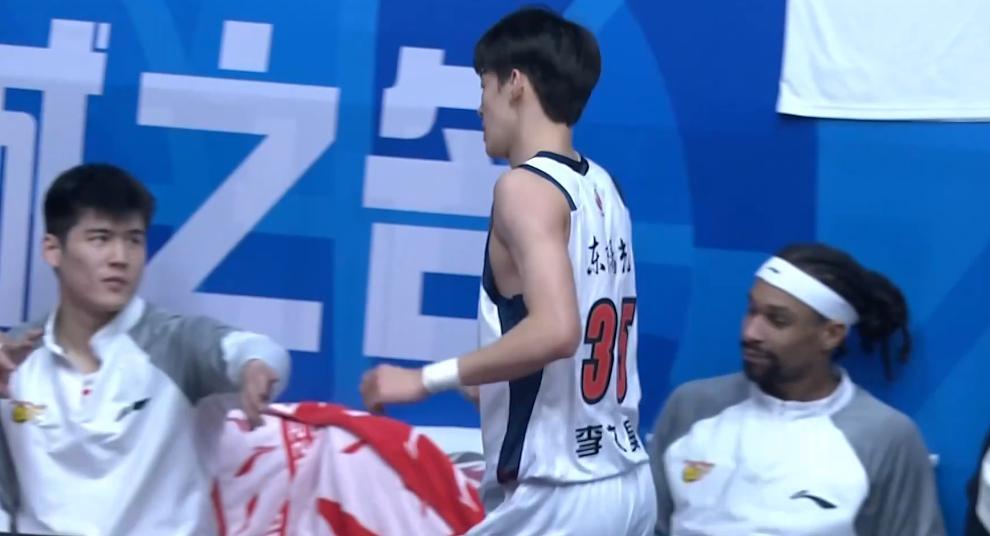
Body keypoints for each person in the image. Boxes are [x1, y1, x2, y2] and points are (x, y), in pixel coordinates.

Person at [360, 7, 656, 535]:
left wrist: (423, 380)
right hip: (628, 481)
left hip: (561, 495)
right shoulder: (606, 187)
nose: (480, 107)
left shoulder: (523, 188)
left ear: (515, 83)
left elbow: (558, 330)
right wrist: (493, 382)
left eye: (484, 86)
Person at [0, 163, 290, 535]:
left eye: (134, 240)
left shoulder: (178, 345)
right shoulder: (13, 360)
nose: (120, 257)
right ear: (53, 249)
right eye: (101, 239)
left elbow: (254, 351)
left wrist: (254, 367)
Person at [648, 243, 945, 535]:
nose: (751, 333)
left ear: (831, 334)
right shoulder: (693, 406)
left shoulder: (886, 436)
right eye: (751, 311)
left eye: (777, 320)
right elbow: (646, 524)